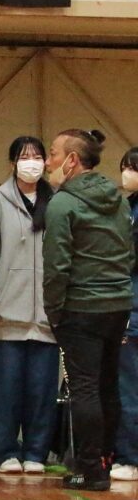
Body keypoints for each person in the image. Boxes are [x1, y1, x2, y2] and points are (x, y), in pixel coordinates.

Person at [44, 129, 133, 490]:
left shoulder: (62, 204)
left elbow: (56, 266)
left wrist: (53, 311)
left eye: (52, 153)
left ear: (72, 160)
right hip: (119, 304)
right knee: (108, 386)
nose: (47, 161)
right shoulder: (120, 200)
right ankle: (105, 461)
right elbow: (129, 253)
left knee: (84, 388)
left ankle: (88, 469)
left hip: (81, 307)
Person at [0, 136, 59, 474]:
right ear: (12, 163)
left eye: (37, 156)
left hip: (47, 321)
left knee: (42, 392)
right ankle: (5, 452)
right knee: (6, 392)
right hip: (5, 318)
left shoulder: (57, 203)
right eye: (25, 157)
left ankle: (36, 453)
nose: (31, 162)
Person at [113, 147, 138, 482]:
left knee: (130, 390)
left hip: (133, 311)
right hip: (127, 309)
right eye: (124, 167)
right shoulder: (126, 207)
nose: (127, 173)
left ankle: (130, 457)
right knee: (126, 388)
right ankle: (128, 456)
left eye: (133, 167)